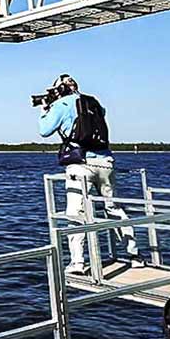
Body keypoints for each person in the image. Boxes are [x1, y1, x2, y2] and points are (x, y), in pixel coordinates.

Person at [36, 74, 139, 274]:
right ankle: (135, 255)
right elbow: (102, 114)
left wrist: (45, 110)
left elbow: (45, 130)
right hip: (106, 162)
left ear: (59, 90)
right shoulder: (93, 102)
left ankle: (77, 263)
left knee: (76, 214)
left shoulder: (62, 105)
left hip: (81, 164)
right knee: (114, 208)